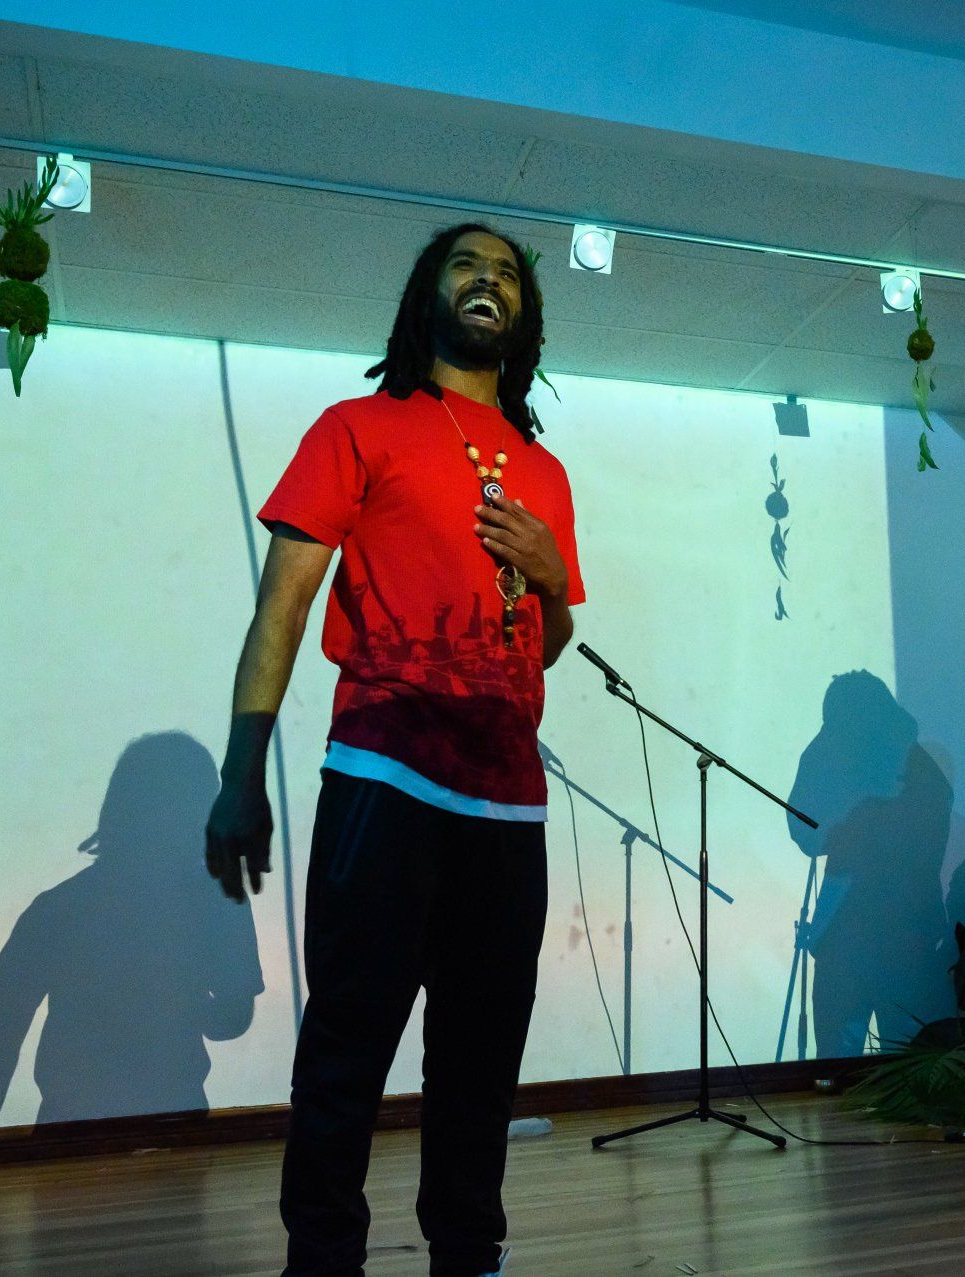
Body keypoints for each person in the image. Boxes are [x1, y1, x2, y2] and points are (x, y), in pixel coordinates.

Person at [204, 223, 585, 1277]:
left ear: (524, 318)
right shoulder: (358, 426)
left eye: (507, 273)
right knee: (349, 1043)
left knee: (481, 1058)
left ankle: (469, 1252)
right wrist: (240, 775)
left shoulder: (545, 474)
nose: (488, 279)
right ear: (429, 296)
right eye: (467, 264)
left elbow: (544, 642)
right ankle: (323, 1259)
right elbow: (283, 608)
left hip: (508, 805)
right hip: (386, 776)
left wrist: (553, 578)